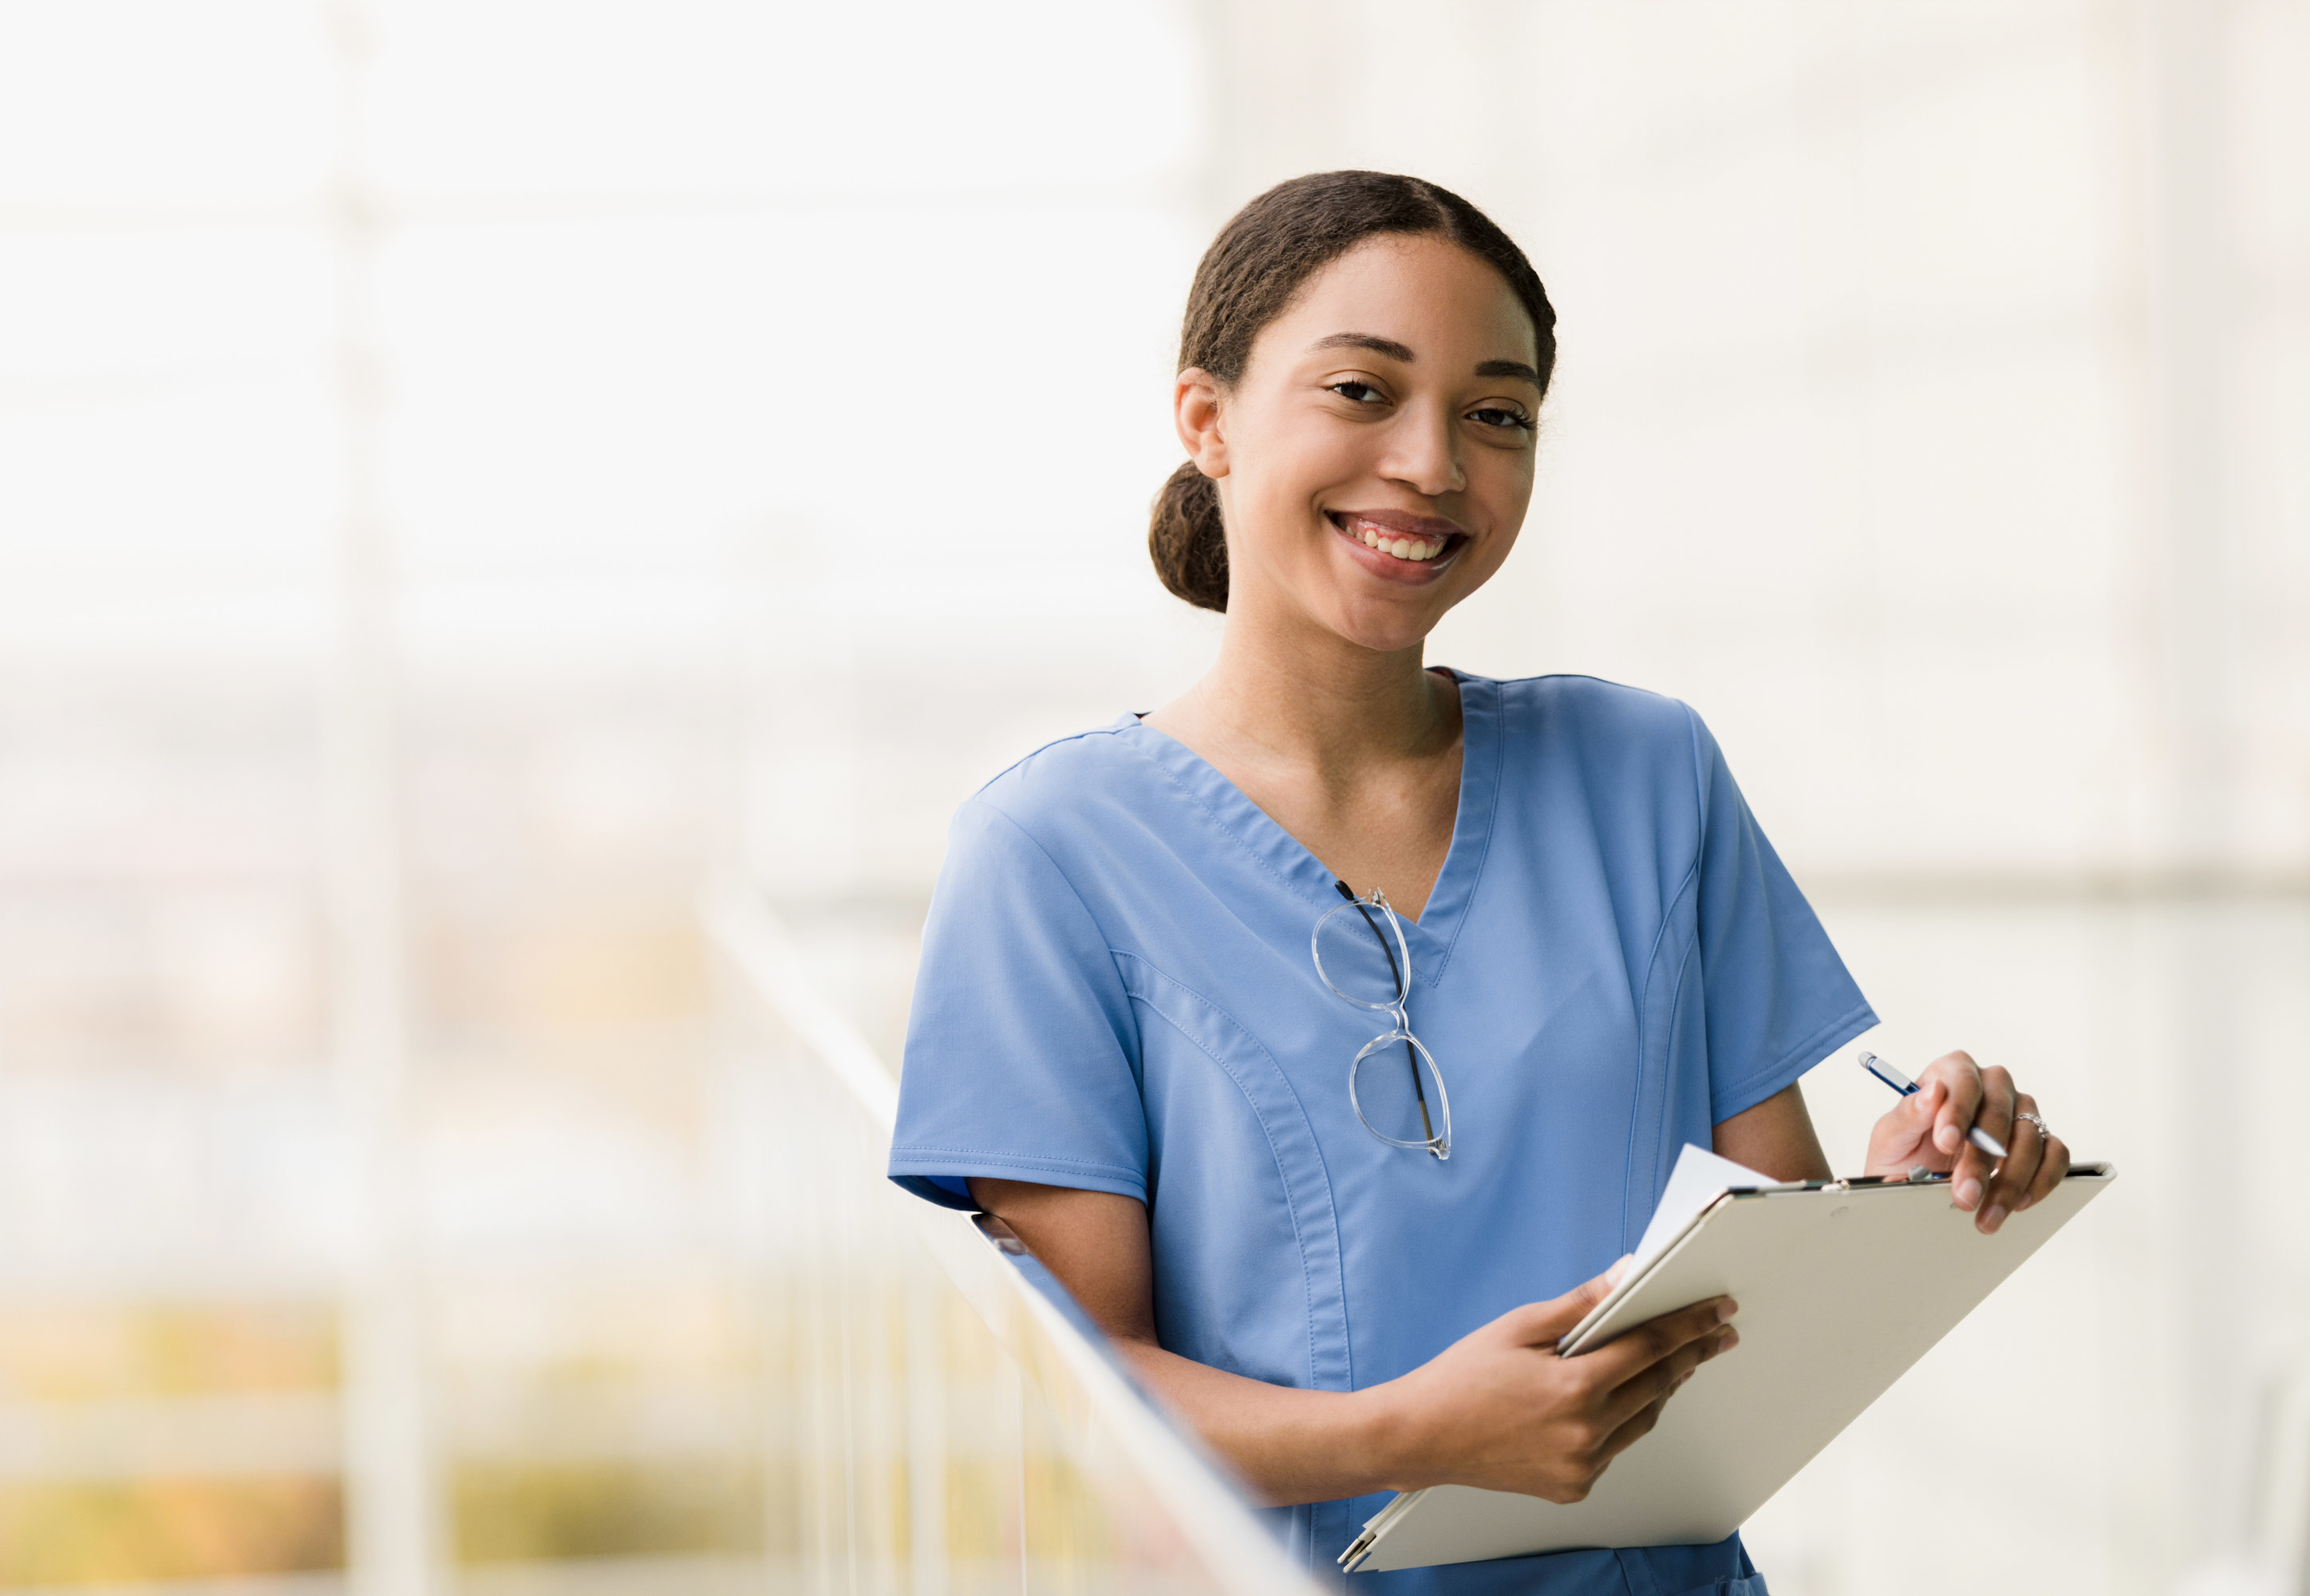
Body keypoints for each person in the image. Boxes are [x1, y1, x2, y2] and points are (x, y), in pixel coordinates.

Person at [886, 171, 2071, 1596]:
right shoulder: (1052, 853)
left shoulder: (1649, 773)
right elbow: (1080, 1397)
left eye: (1496, 413)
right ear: (1207, 419)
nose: (1434, 464)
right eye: (1362, 392)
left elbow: (1750, 1274)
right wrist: (1410, 1433)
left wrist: (1897, 1200)